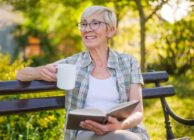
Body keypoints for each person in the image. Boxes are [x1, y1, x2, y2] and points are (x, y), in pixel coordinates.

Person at [16, 5, 149, 140]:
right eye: (84, 24)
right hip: (86, 134)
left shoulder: (128, 62)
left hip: (125, 130)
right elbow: (21, 74)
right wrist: (40, 72)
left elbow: (137, 113)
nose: (87, 29)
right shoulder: (73, 64)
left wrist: (118, 126)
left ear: (110, 30)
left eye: (95, 23)